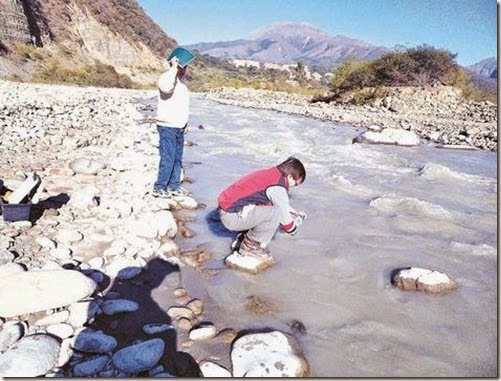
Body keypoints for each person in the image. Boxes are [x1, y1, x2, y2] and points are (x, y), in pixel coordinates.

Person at [217, 157, 307, 259]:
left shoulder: (272, 174)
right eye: (295, 183)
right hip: (231, 218)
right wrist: (295, 225)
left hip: (227, 209)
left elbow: (269, 199)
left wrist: (288, 208)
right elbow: (287, 224)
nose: (292, 186)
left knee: (270, 209)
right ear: (290, 176)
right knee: (275, 213)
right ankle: (249, 246)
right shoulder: (278, 188)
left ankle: (242, 239)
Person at [152, 47, 195, 198]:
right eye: (183, 67)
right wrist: (173, 67)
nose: (184, 70)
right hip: (167, 126)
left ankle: (173, 186)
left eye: (185, 67)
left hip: (178, 127)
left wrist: (185, 123)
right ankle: (159, 187)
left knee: (177, 159)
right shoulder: (166, 78)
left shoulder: (181, 85)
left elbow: (182, 106)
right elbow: (165, 88)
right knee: (168, 158)